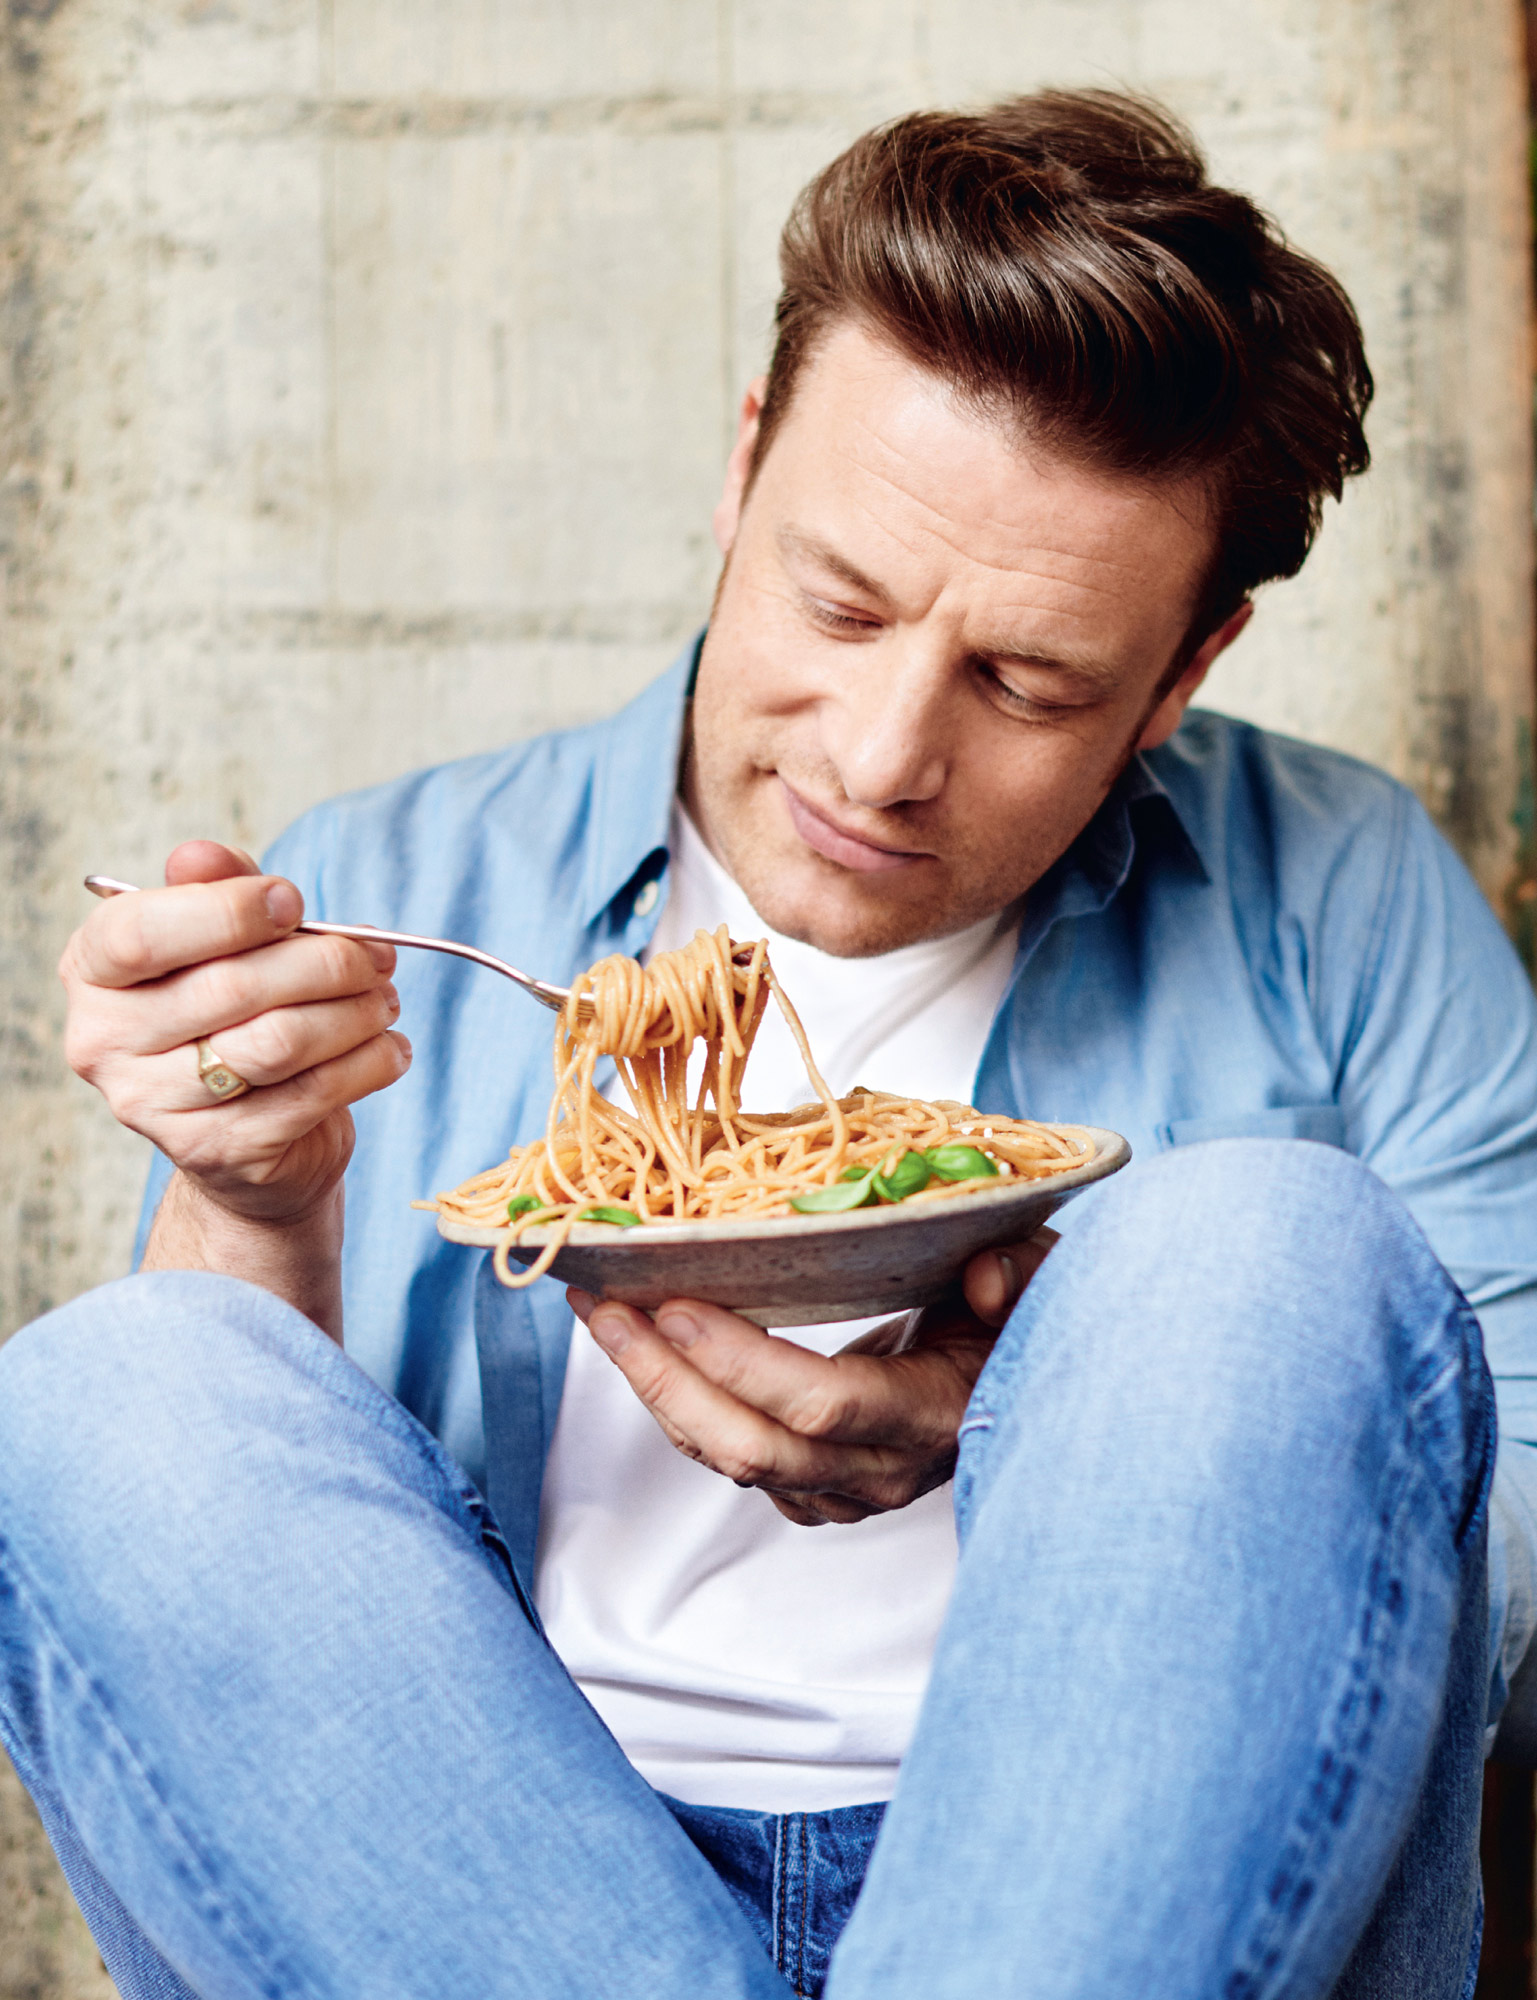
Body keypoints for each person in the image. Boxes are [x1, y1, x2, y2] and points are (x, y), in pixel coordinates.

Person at [2, 88, 1534, 2000]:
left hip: (1141, 1876)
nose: (882, 760)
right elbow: (255, 1630)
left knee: (1260, 1247)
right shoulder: (395, 877)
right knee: (109, 1388)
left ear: (1184, 673)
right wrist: (249, 1197)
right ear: (742, 474)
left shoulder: (1341, 892)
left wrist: (1056, 1423)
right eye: (838, 601)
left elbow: (1499, 1543)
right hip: (500, 1887)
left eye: (1026, 681)